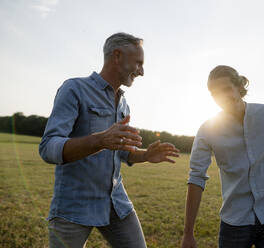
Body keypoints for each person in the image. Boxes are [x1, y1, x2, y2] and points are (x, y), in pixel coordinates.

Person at [39, 32, 179, 248]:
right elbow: (49, 148)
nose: (142, 71)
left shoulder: (124, 104)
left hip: (116, 203)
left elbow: (122, 151)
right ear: (117, 56)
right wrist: (99, 140)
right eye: (138, 63)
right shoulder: (74, 89)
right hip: (73, 205)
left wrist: (145, 155)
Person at [181, 65, 264, 248]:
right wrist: (188, 233)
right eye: (216, 94)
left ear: (239, 86)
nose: (223, 98)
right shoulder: (208, 129)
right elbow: (196, 177)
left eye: (227, 89)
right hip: (235, 220)